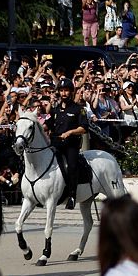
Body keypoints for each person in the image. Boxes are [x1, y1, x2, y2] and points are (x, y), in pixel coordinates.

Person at [49, 79, 89, 209]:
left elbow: (84, 128)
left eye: (66, 90)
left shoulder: (78, 109)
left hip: (71, 145)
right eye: (61, 91)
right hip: (56, 144)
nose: (63, 93)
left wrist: (71, 132)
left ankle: (72, 195)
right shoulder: (55, 110)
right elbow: (47, 126)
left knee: (72, 166)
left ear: (71, 92)